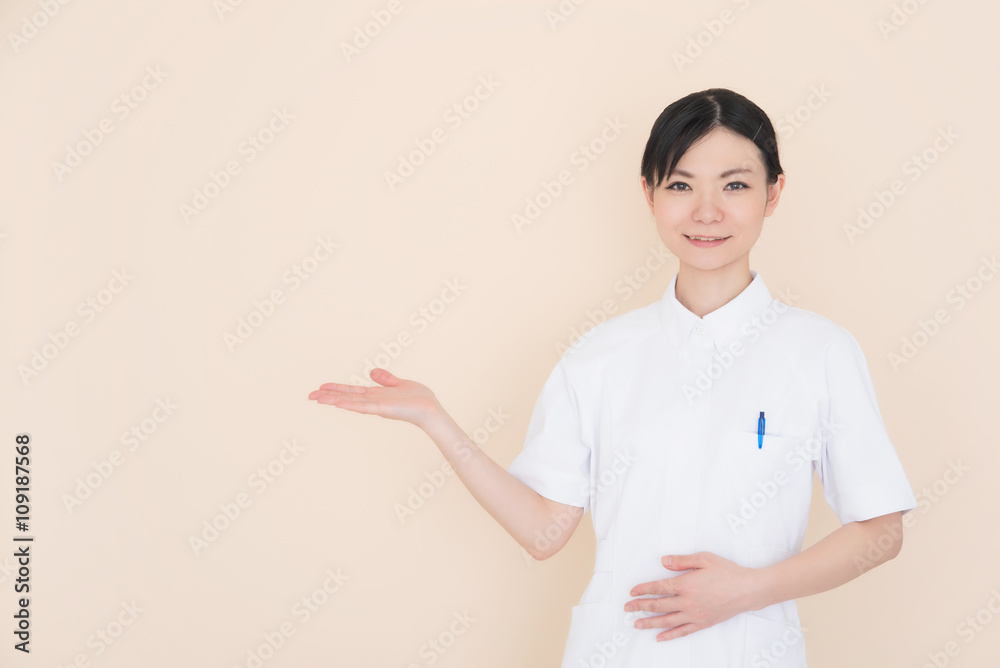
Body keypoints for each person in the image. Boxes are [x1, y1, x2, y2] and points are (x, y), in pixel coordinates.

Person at [307, 87, 918, 667]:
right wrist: (436, 421)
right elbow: (544, 533)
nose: (707, 211)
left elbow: (882, 530)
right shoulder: (599, 357)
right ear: (649, 193)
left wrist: (749, 590)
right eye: (680, 184)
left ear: (774, 193)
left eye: (735, 184)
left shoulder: (818, 352)